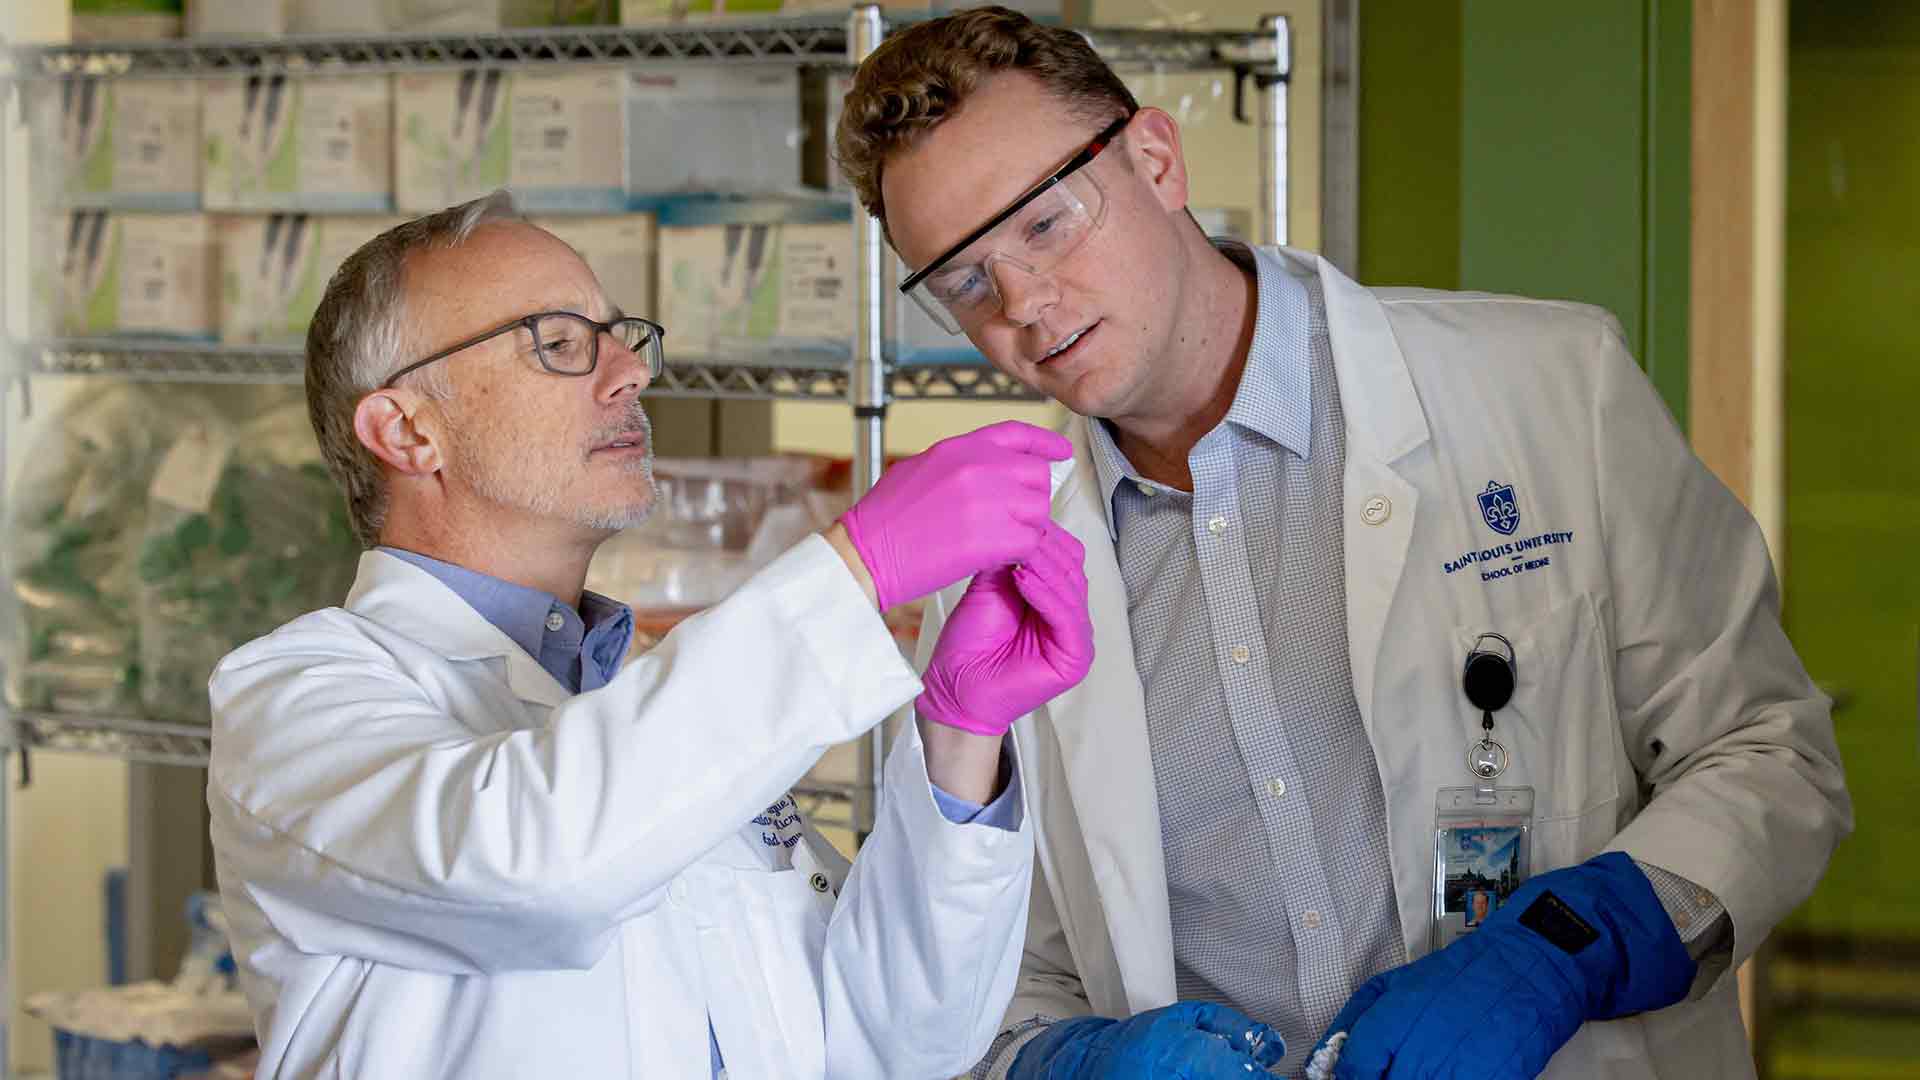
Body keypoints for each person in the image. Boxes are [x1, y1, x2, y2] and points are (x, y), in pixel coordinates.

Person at [835, 7, 1852, 1079]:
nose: (1024, 306)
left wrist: (1572, 950)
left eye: (1047, 223)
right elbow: (997, 969)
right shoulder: (996, 593)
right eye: (963, 279)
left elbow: (1769, 755)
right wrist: (1070, 1059)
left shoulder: (1551, 389)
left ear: (1155, 158)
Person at [205, 191, 1097, 1079]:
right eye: (559, 344)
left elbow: (897, 1041)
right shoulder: (294, 704)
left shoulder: (658, 700)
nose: (629, 373)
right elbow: (537, 867)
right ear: (406, 430)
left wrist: (959, 739)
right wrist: (855, 572)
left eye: (621, 337)